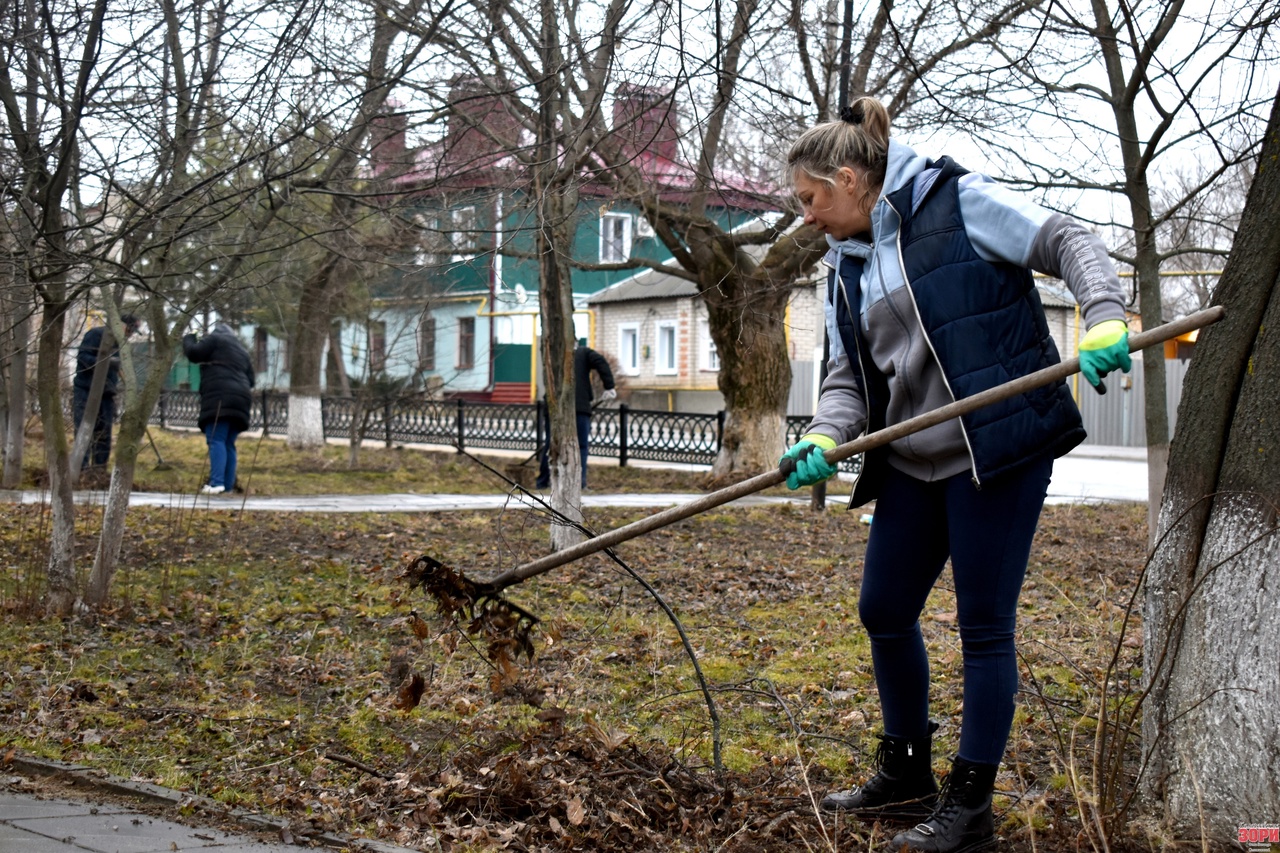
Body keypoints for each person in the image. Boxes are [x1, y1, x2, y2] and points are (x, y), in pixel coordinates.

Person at [781, 98, 1131, 853]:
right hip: (913, 460)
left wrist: (1102, 312)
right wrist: (822, 433)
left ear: (849, 179)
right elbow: (849, 377)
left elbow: (1066, 237)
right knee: (884, 607)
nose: (806, 217)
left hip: (994, 452)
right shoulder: (844, 266)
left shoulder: (956, 203)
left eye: (810, 200)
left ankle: (969, 805)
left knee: (982, 624)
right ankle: (907, 768)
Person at [183, 322, 256, 495]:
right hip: (242, 400)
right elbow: (251, 380)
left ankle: (216, 483)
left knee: (216, 439)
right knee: (228, 443)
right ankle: (227, 486)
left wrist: (189, 337)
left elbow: (194, 353)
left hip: (220, 397)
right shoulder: (242, 351)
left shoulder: (215, 339)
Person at [536, 340, 616, 489]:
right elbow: (600, 361)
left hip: (554, 407)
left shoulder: (552, 354)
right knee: (580, 446)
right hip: (578, 406)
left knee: (551, 444)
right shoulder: (583, 353)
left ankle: (543, 482)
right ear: (576, 341)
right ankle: (578, 484)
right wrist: (609, 386)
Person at [72, 314, 139, 470]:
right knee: (84, 429)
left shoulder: (122, 344)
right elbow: (82, 357)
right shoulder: (96, 335)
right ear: (120, 325)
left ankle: (99, 469)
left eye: (133, 331)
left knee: (104, 432)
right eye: (129, 330)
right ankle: (81, 468)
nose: (130, 334)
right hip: (86, 390)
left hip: (107, 393)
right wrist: (105, 362)